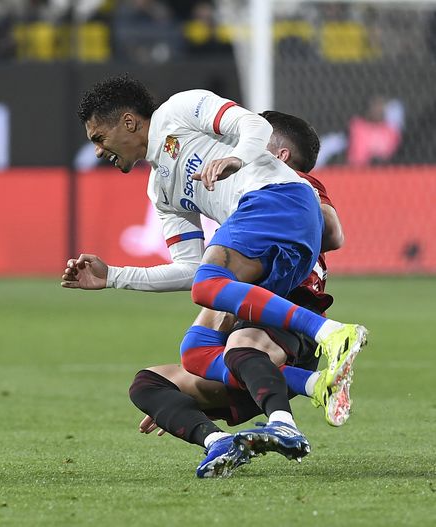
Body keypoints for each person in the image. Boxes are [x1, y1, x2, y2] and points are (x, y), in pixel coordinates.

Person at [69, 75, 367, 463]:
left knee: (214, 294)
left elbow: (255, 124)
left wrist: (237, 156)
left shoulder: (179, 109)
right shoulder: (160, 189)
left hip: (279, 198)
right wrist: (113, 277)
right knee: (195, 350)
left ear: (128, 122)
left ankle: (332, 334)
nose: (96, 151)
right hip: (272, 240)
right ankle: (309, 389)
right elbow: (192, 270)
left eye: (99, 137)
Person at [128, 111, 354, 477]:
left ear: (278, 157)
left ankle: (287, 419)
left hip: (291, 308)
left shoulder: (295, 184)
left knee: (239, 345)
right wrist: (175, 407)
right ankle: (220, 441)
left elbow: (334, 234)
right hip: (252, 340)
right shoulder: (240, 193)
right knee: (151, 384)